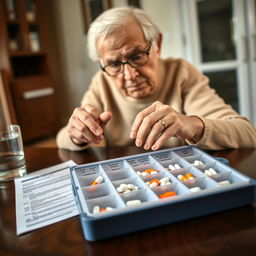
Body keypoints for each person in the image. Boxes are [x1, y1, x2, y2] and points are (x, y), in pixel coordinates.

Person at [56, 6, 256, 151]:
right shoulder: (102, 82)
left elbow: (247, 134)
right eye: (115, 64)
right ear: (102, 62)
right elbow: (63, 139)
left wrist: (192, 124)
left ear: (157, 44)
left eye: (136, 56)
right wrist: (77, 134)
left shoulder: (181, 72)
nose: (130, 75)